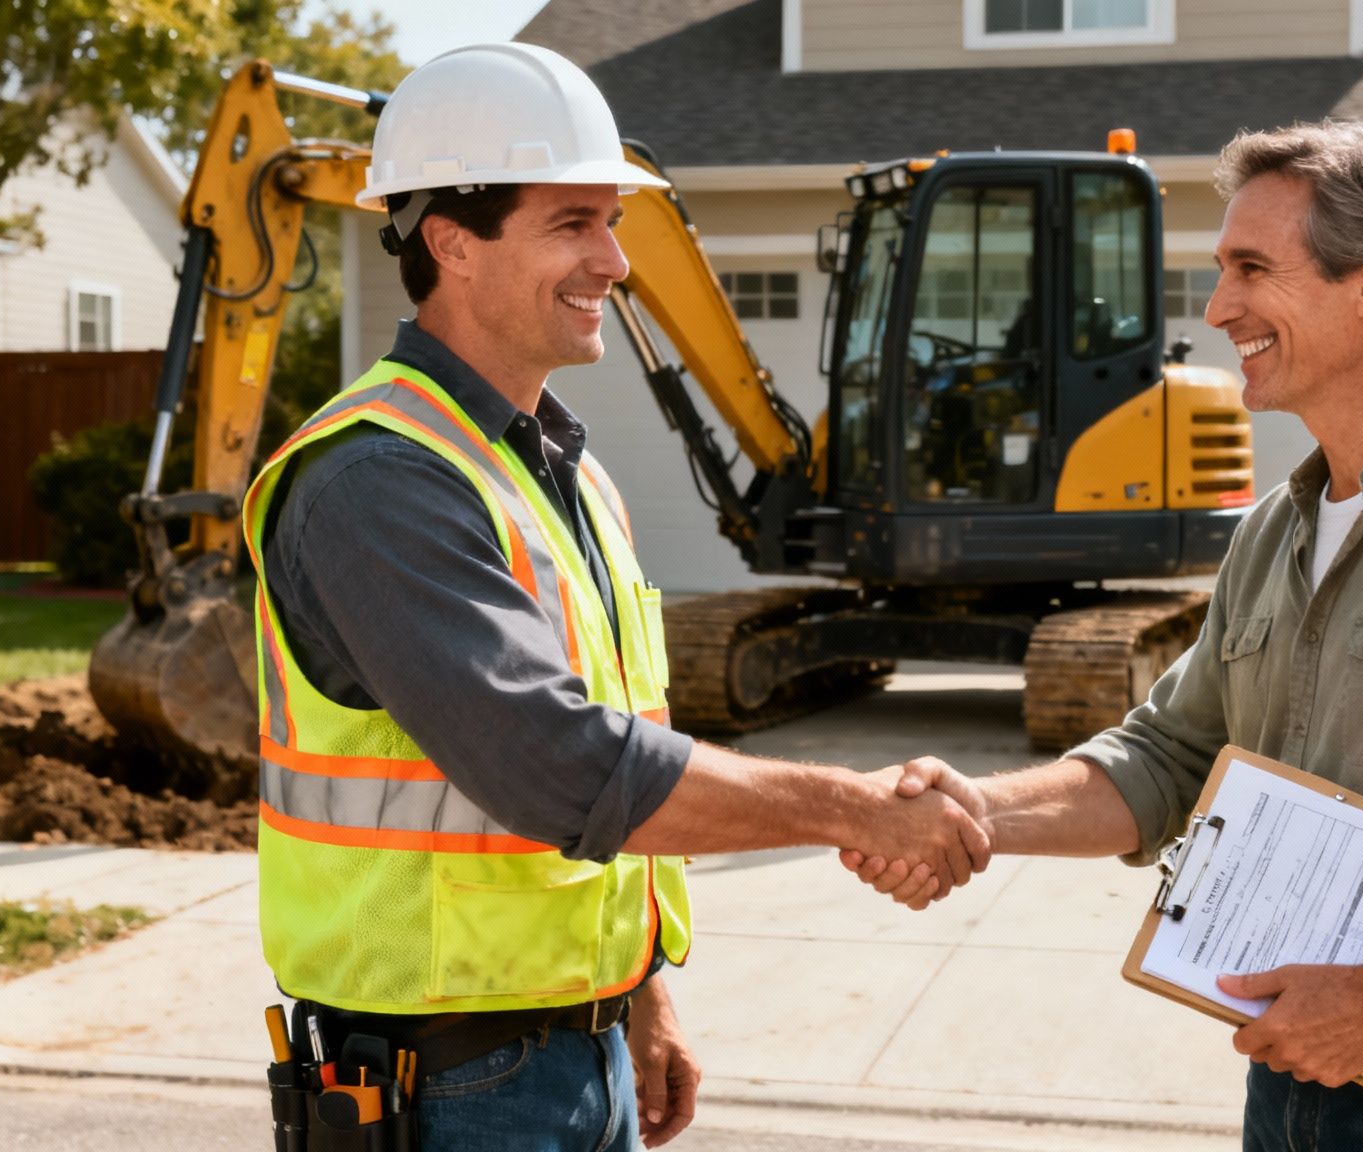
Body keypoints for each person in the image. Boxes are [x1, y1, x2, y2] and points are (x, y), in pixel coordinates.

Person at [844, 120, 1363, 1150]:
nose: (1215, 309)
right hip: (1294, 1075)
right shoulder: (1271, 530)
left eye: (1251, 268)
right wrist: (975, 811)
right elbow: (1168, 757)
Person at [244, 43, 987, 1151]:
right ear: (450, 240)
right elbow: (560, 764)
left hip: (571, 1053)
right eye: (573, 223)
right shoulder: (377, 479)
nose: (615, 262)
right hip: (447, 1087)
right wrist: (856, 809)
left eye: (613, 222)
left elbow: (621, 754)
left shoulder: (565, 471)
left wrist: (639, 998)